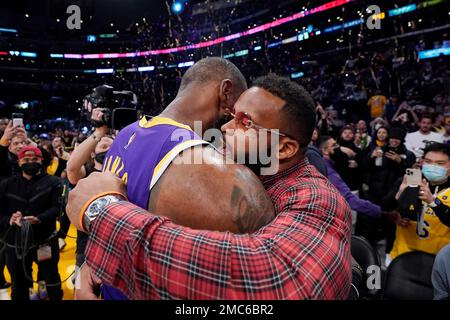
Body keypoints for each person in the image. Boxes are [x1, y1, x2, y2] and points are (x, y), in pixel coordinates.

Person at [67, 74, 352, 300]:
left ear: (285, 147)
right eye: (232, 116)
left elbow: (278, 285)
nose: (225, 128)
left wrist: (103, 211)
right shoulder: (236, 174)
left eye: (245, 123)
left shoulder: (317, 198)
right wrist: (105, 258)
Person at [100, 57, 275, 299]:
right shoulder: (199, 160)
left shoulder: (123, 136)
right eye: (240, 112)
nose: (237, 122)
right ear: (226, 92)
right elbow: (265, 262)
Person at [0, 146, 63, 300]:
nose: (31, 162)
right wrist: (10, 219)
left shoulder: (53, 182)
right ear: (19, 161)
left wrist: (39, 218)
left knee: (51, 277)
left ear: (41, 161)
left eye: (35, 159)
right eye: (26, 160)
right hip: (15, 244)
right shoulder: (6, 184)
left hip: (44, 241)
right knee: (18, 282)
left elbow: (57, 208)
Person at [66, 112, 114, 269]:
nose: (109, 150)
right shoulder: (86, 173)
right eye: (104, 146)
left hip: (115, 245)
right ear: (92, 153)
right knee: (82, 290)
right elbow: (72, 168)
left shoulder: (122, 172)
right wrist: (99, 133)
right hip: (87, 247)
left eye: (113, 147)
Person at [388, 143, 450, 262]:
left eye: (440, 163)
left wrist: (433, 203)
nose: (433, 166)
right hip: (402, 253)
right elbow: (385, 206)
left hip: (438, 260)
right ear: (422, 162)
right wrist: (398, 199)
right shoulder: (413, 177)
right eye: (428, 161)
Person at [318, 136, 382, 224]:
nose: (339, 147)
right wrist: (380, 212)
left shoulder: (325, 163)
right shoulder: (327, 170)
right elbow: (348, 199)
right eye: (334, 145)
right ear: (325, 151)